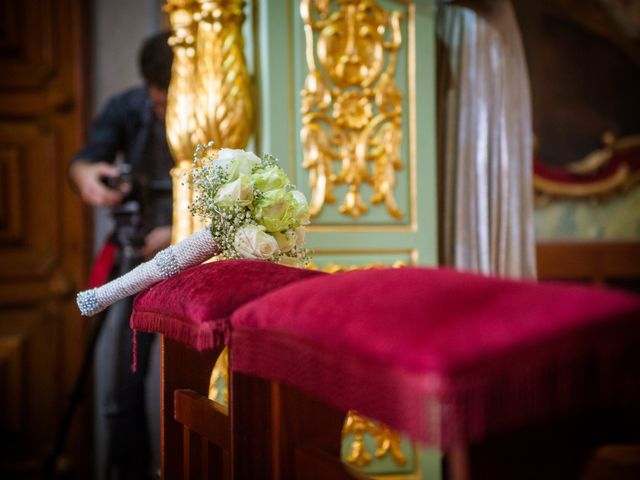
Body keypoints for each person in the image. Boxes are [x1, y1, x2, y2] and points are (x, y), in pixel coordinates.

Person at [69, 31, 174, 480]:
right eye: (157, 105)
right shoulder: (125, 108)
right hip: (136, 256)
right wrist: (87, 176)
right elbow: (84, 163)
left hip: (198, 256)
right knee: (125, 384)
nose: (162, 113)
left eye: (168, 104)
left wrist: (179, 233)